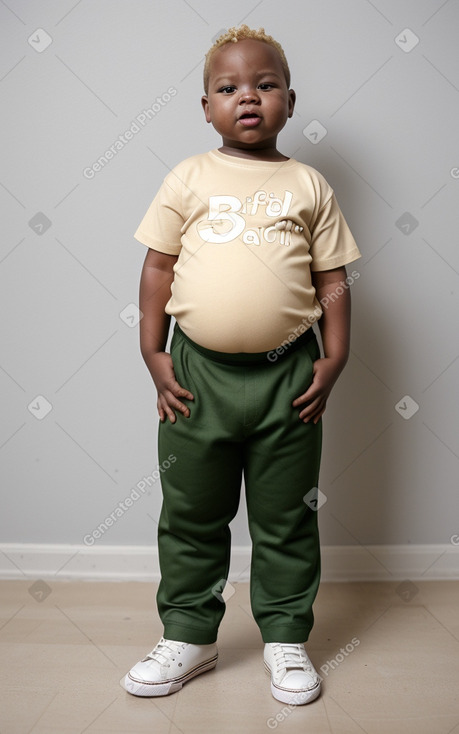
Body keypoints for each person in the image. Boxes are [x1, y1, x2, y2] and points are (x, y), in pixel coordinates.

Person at [121, 24, 361, 705]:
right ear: (206, 107)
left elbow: (331, 277)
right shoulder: (189, 177)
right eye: (228, 88)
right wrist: (153, 350)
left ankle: (285, 638)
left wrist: (336, 354)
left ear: (289, 98)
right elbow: (157, 265)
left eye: (263, 84)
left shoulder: (307, 184)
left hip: (289, 379)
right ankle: (190, 637)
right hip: (197, 377)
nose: (246, 97)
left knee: (285, 517)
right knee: (192, 511)